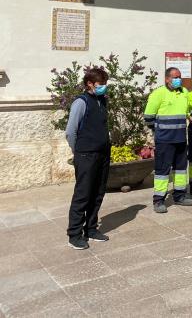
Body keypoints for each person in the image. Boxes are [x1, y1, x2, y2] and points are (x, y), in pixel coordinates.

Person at [65, 68, 111, 250]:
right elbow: (70, 131)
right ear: (90, 84)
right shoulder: (81, 102)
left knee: (98, 192)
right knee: (83, 195)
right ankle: (74, 235)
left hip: (102, 153)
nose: (103, 88)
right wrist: (79, 151)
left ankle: (91, 229)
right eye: (100, 84)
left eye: (105, 84)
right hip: (86, 155)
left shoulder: (101, 101)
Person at [144, 68, 192, 213]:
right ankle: (159, 200)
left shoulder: (184, 92)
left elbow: (185, 111)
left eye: (179, 77)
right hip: (165, 140)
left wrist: (189, 115)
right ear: (167, 79)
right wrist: (159, 130)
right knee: (162, 170)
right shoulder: (158, 93)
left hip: (180, 139)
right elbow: (148, 116)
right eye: (175, 77)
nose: (178, 79)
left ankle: (180, 196)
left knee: (180, 170)